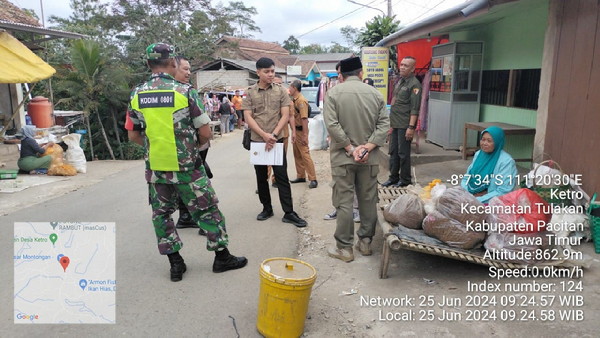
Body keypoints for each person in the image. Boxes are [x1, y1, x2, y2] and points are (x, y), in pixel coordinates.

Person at [127, 42, 247, 282]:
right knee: (207, 210)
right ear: (172, 62)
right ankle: (221, 258)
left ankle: (176, 263)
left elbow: (133, 135)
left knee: (161, 215)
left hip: (157, 168)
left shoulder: (137, 93)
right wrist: (191, 149)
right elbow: (205, 132)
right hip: (187, 167)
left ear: (149, 64)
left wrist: (153, 149)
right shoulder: (184, 91)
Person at [323, 56, 389, 262]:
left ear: (341, 75)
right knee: (368, 200)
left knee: (343, 202)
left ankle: (344, 248)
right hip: (368, 159)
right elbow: (384, 126)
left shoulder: (333, 94)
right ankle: (366, 242)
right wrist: (366, 148)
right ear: (361, 73)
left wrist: (351, 149)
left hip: (343, 157)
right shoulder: (376, 95)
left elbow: (332, 126)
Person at [242, 57, 307, 228]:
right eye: (267, 71)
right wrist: (264, 135)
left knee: (282, 176)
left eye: (272, 71)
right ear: (258, 72)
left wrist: (274, 134)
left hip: (276, 140)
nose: (271, 74)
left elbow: (285, 115)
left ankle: (289, 212)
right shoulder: (249, 92)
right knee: (261, 177)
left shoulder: (280, 91)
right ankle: (267, 208)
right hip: (258, 141)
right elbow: (248, 116)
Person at [172, 56, 211, 235]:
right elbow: (204, 131)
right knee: (198, 185)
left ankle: (185, 217)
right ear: (173, 68)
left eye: (190, 69)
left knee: (183, 183)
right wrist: (197, 145)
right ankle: (204, 221)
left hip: (183, 149)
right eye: (185, 69)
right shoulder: (185, 92)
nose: (189, 72)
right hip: (189, 149)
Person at [323, 62, 360, 223]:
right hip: (340, 146)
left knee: (358, 180)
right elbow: (331, 121)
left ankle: (356, 210)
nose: (339, 76)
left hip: (359, 145)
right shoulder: (333, 94)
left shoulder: (363, 92)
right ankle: (339, 208)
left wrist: (353, 147)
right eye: (337, 73)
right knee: (338, 180)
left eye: (340, 73)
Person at [382, 56, 422, 188]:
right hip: (395, 124)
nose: (402, 67)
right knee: (393, 152)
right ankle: (393, 178)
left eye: (406, 65)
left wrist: (411, 127)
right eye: (402, 64)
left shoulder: (414, 84)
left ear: (412, 69)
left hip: (405, 125)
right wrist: (390, 123)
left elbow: (415, 109)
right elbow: (394, 100)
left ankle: (405, 180)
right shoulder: (400, 82)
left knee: (403, 154)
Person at [460, 126, 517, 203]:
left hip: (492, 202)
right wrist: (466, 194)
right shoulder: (478, 154)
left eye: (489, 141)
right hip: (471, 196)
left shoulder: (506, 162)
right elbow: (467, 178)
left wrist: (477, 200)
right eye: (483, 140)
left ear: (497, 142)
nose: (484, 143)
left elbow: (504, 191)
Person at [289, 80, 318, 189]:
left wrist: (305, 135)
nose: (289, 90)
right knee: (297, 154)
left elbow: (304, 119)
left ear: (294, 88)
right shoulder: (294, 100)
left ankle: (313, 178)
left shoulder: (301, 101)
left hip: (301, 131)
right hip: (296, 131)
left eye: (290, 87)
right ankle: (300, 175)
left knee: (305, 154)